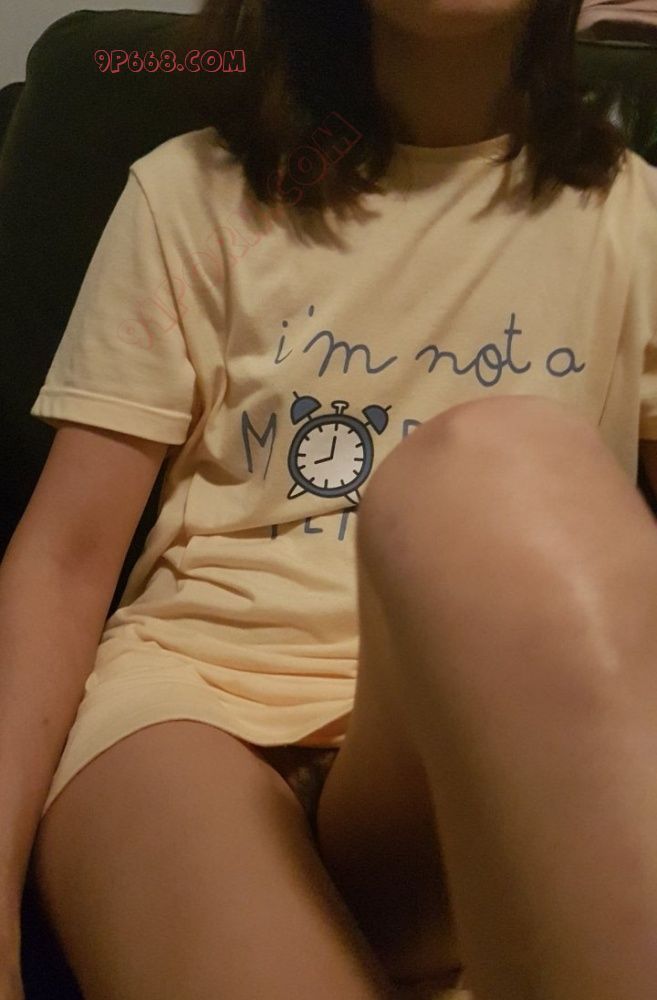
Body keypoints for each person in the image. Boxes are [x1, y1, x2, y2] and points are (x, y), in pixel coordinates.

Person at [1, 1, 656, 998]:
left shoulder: (635, 221)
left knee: (501, 465)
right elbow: (62, 560)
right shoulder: (189, 192)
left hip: (457, 740)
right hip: (190, 708)